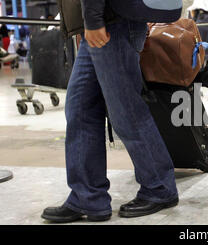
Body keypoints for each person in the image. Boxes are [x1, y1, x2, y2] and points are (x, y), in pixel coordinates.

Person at [41, 0, 179, 223]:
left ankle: (160, 187)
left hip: (112, 21)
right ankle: (87, 197)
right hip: (99, 21)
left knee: (126, 112)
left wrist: (93, 19)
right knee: (79, 109)